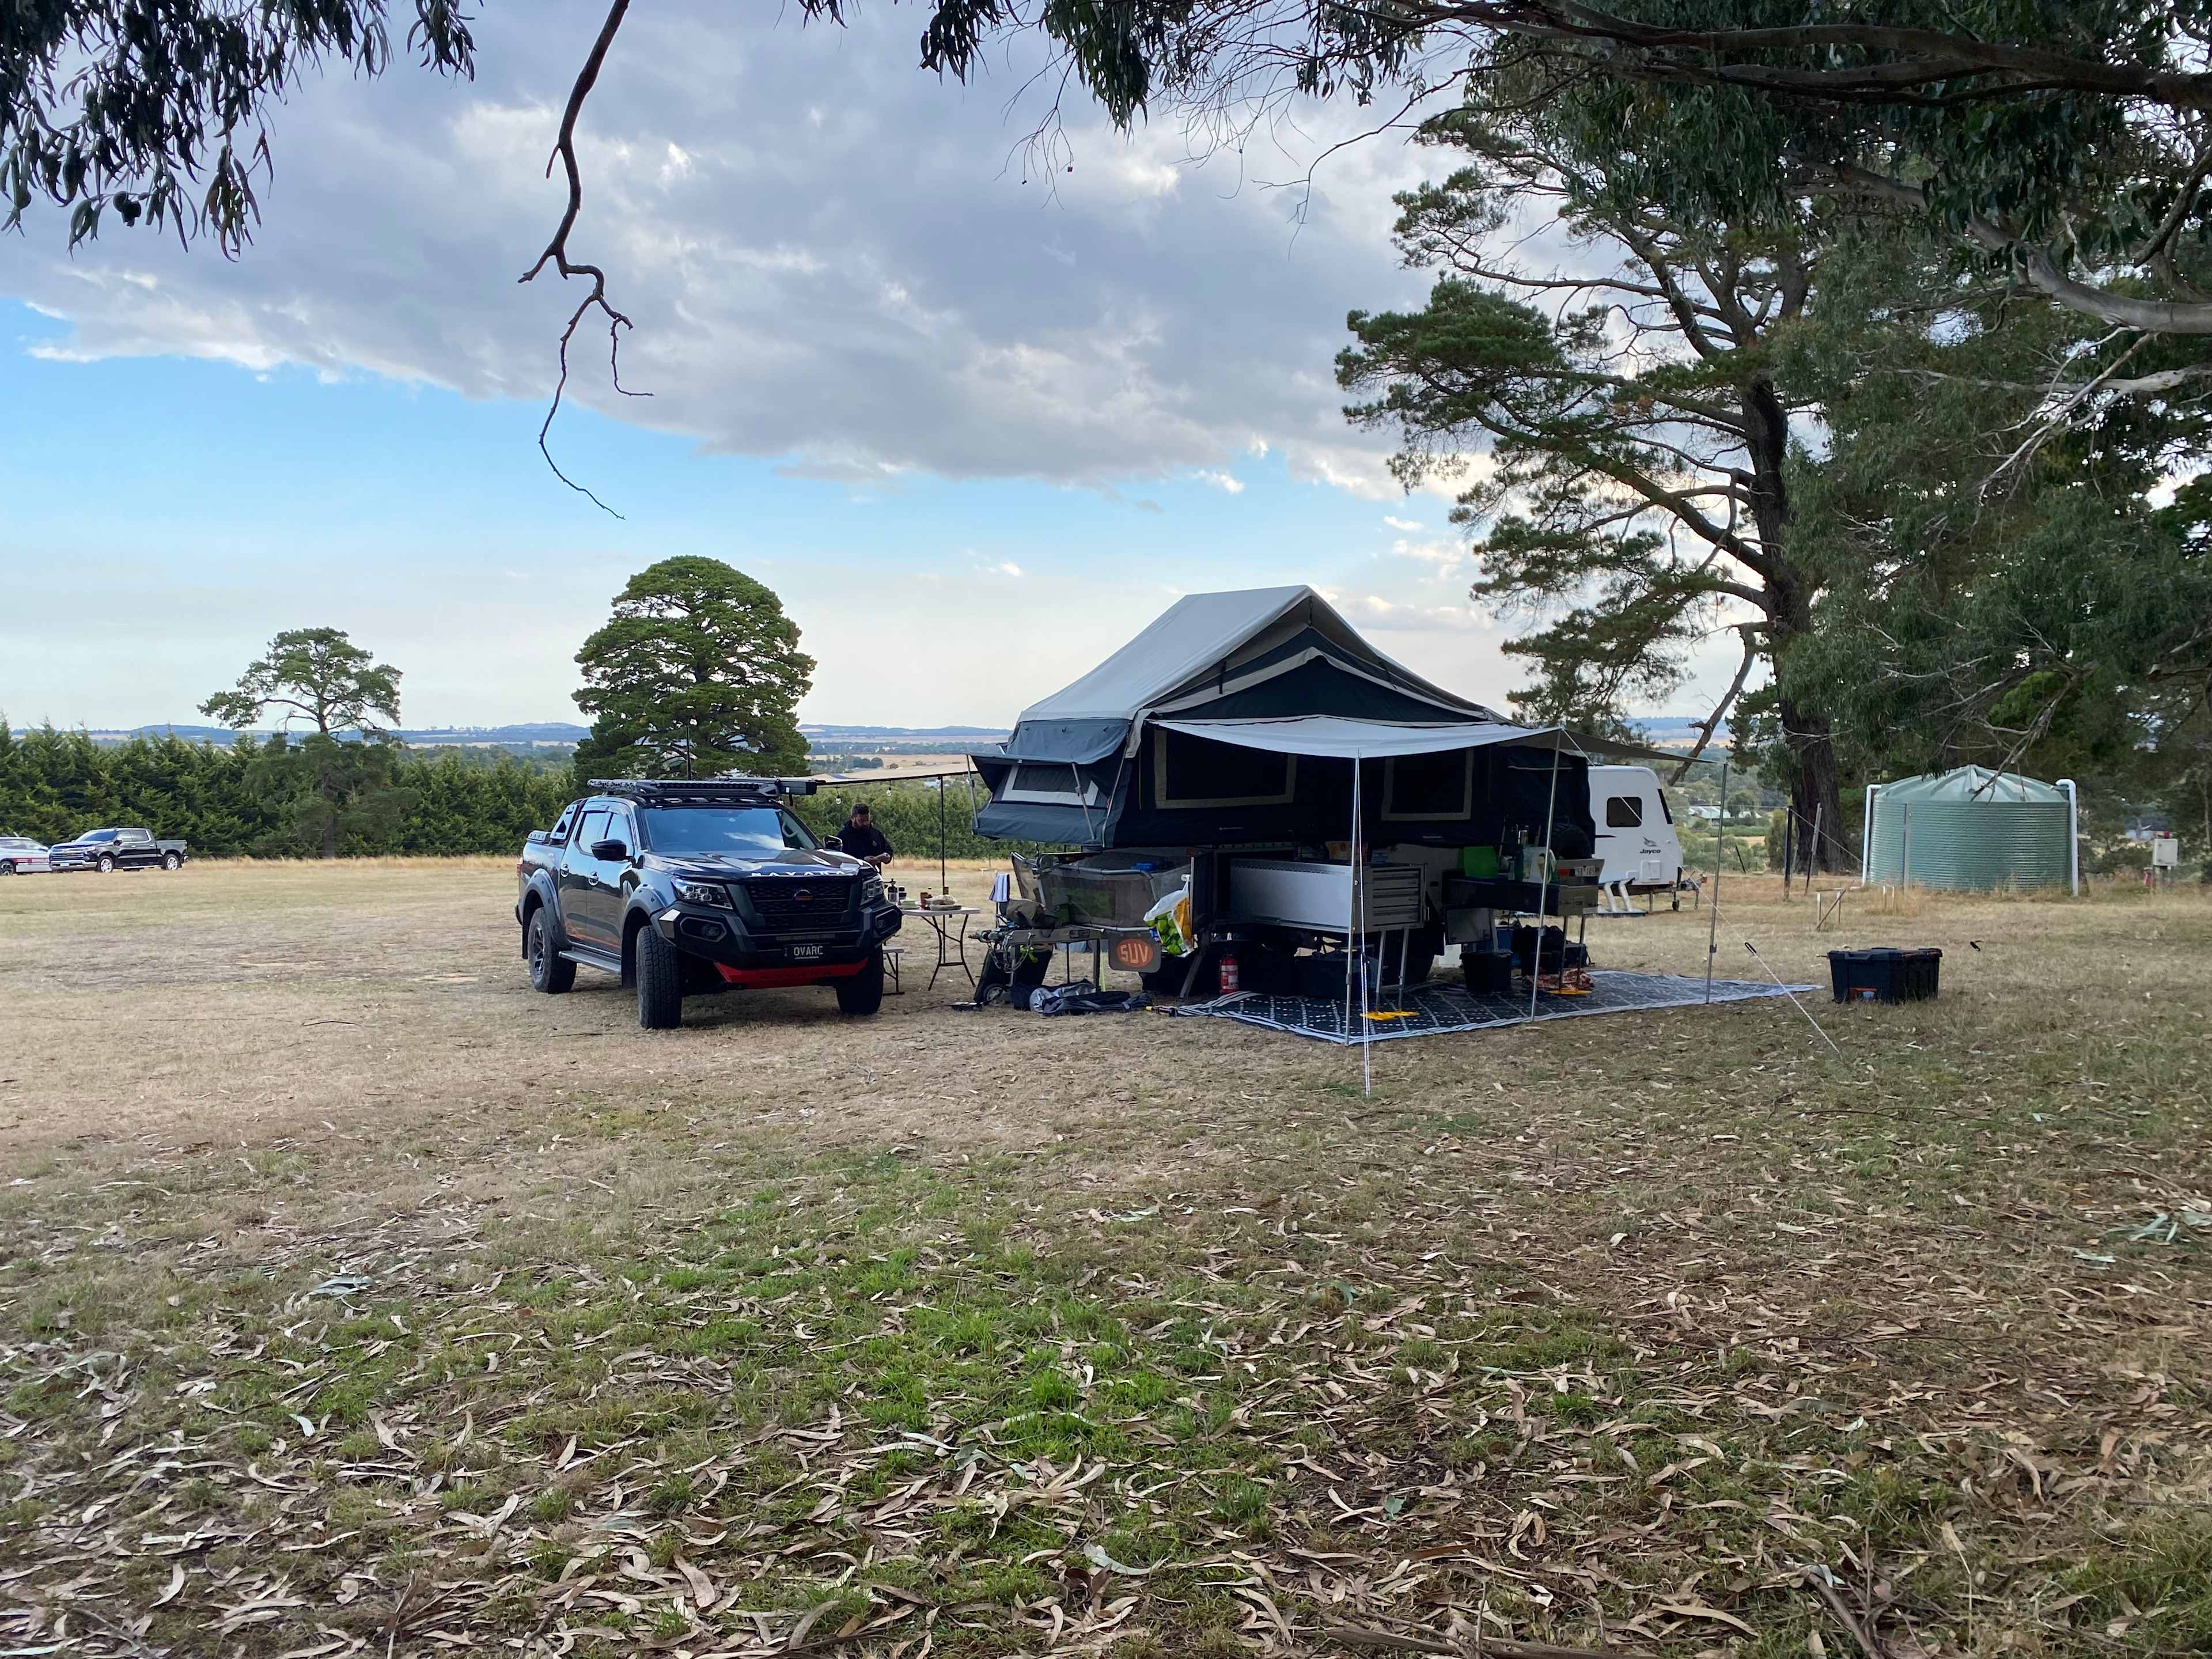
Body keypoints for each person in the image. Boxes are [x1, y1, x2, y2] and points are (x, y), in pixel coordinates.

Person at [838, 804, 894, 868]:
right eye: (861, 821)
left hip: (874, 875)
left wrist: (887, 857)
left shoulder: (876, 834)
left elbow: (888, 850)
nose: (865, 823)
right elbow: (839, 859)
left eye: (867, 820)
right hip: (853, 875)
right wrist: (863, 860)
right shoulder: (843, 836)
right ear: (853, 818)